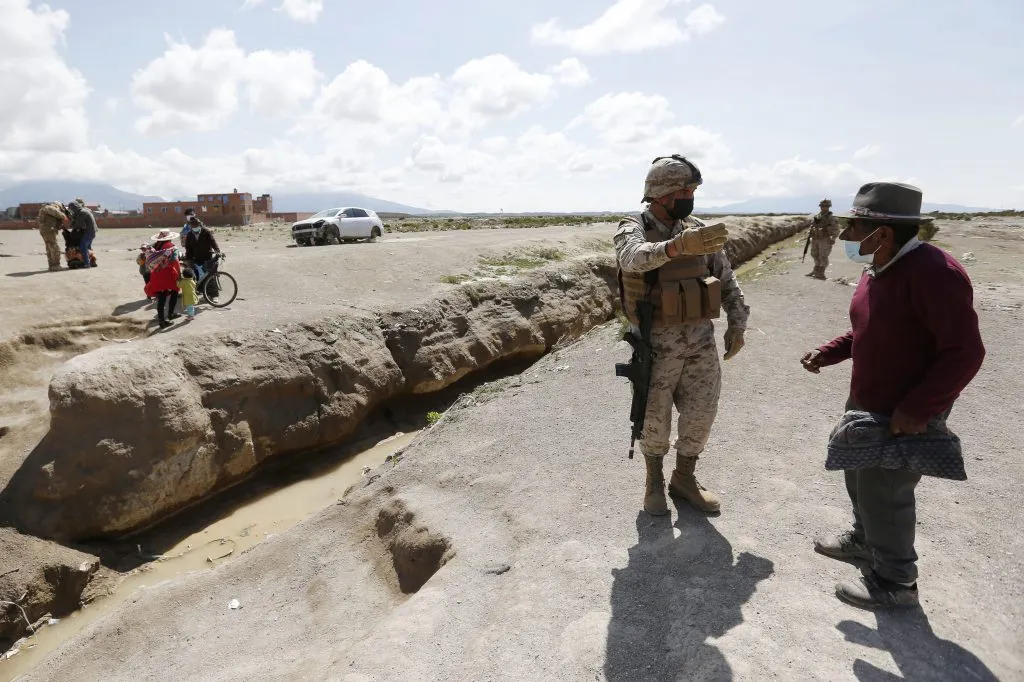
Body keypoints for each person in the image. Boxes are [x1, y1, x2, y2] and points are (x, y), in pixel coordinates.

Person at [801, 182, 986, 609]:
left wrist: (918, 408)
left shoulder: (936, 274)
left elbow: (965, 352)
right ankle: (866, 541)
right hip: (869, 401)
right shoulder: (879, 269)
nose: (846, 237)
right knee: (859, 476)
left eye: (853, 227)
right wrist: (829, 353)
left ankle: (896, 581)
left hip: (903, 410)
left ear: (880, 233)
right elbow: (872, 330)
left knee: (885, 492)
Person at [613, 155, 749, 517]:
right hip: (656, 347)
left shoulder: (699, 229)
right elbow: (631, 258)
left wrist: (738, 321)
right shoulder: (634, 226)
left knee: (701, 415)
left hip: (700, 342)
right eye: (684, 190)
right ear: (660, 193)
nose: (690, 196)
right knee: (654, 419)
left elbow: (726, 276)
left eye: (692, 190)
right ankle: (654, 481)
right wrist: (677, 247)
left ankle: (684, 478)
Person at [144, 229, 183, 329]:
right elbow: (175, 262)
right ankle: (169, 315)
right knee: (174, 292)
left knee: (161, 298)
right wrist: (179, 274)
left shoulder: (154, 247)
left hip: (156, 274)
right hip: (168, 275)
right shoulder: (172, 247)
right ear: (169, 237)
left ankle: (162, 319)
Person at [184, 215, 222, 298]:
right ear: (191, 226)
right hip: (196, 258)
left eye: (196, 225)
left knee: (210, 276)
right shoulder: (189, 235)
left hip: (207, 257)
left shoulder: (206, 232)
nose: (195, 227)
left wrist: (217, 251)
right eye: (192, 226)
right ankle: (203, 292)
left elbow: (213, 242)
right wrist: (189, 259)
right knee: (199, 276)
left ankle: (214, 295)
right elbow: (188, 248)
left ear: (199, 225)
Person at [806, 198, 840, 279]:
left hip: (825, 239)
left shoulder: (831, 218)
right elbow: (812, 226)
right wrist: (810, 234)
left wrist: (833, 238)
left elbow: (836, 229)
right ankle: (816, 270)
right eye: (822, 206)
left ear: (829, 207)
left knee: (823, 256)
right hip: (815, 238)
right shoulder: (817, 216)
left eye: (826, 206)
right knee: (815, 254)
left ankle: (821, 273)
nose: (824, 207)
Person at [66, 198, 98, 268]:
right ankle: (92, 262)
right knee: (88, 248)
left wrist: (72, 225)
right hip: (91, 232)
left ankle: (87, 264)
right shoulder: (83, 211)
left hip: (89, 232)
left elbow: (81, 225)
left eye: (71, 209)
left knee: (83, 247)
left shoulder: (81, 213)